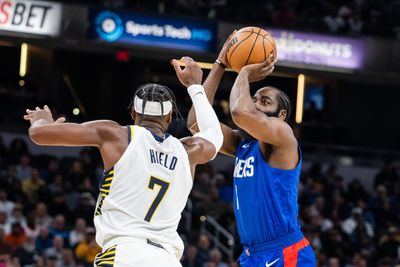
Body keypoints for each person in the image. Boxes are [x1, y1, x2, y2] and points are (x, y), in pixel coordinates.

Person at [24, 57, 223, 267]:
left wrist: (41, 118)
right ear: (169, 117)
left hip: (123, 253)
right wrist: (194, 87)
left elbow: (39, 134)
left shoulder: (116, 134)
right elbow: (214, 135)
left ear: (133, 113)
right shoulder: (188, 151)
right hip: (167, 259)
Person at [185, 35, 316, 266]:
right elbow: (197, 123)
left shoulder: (283, 134)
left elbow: (240, 113)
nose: (254, 104)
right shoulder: (243, 144)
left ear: (282, 115)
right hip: (252, 254)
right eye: (253, 98)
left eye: (264, 102)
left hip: (286, 253)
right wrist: (220, 63)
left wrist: (243, 72)